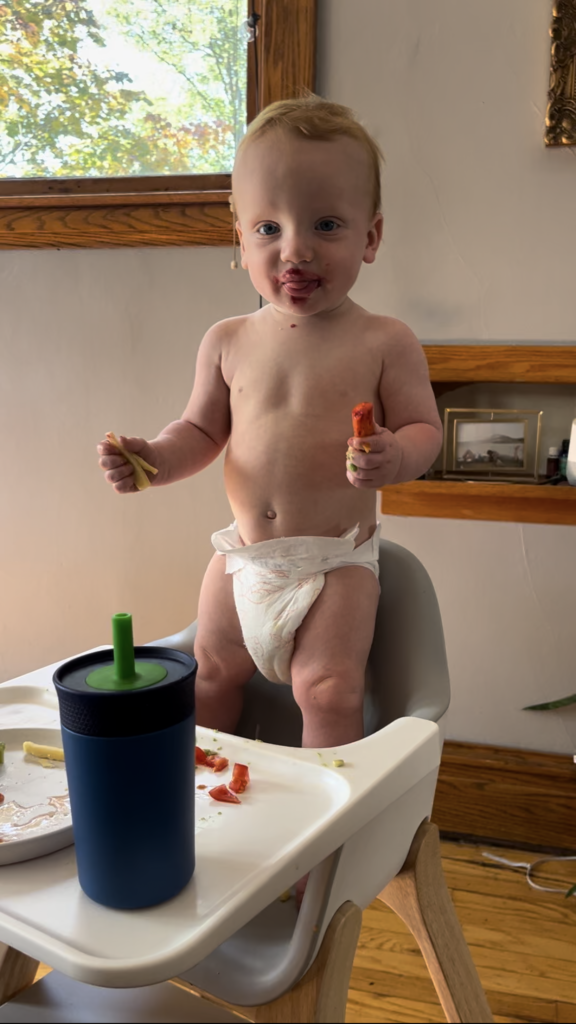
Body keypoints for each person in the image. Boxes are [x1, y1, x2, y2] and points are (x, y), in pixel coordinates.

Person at [98, 96, 442, 751]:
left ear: (369, 238)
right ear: (240, 237)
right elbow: (199, 433)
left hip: (336, 563)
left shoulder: (384, 341)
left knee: (329, 689)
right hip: (242, 561)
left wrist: (395, 456)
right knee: (209, 677)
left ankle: (321, 839)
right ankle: (201, 804)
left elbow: (426, 430)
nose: (296, 250)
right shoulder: (226, 340)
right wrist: (152, 460)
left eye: (326, 225)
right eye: (268, 229)